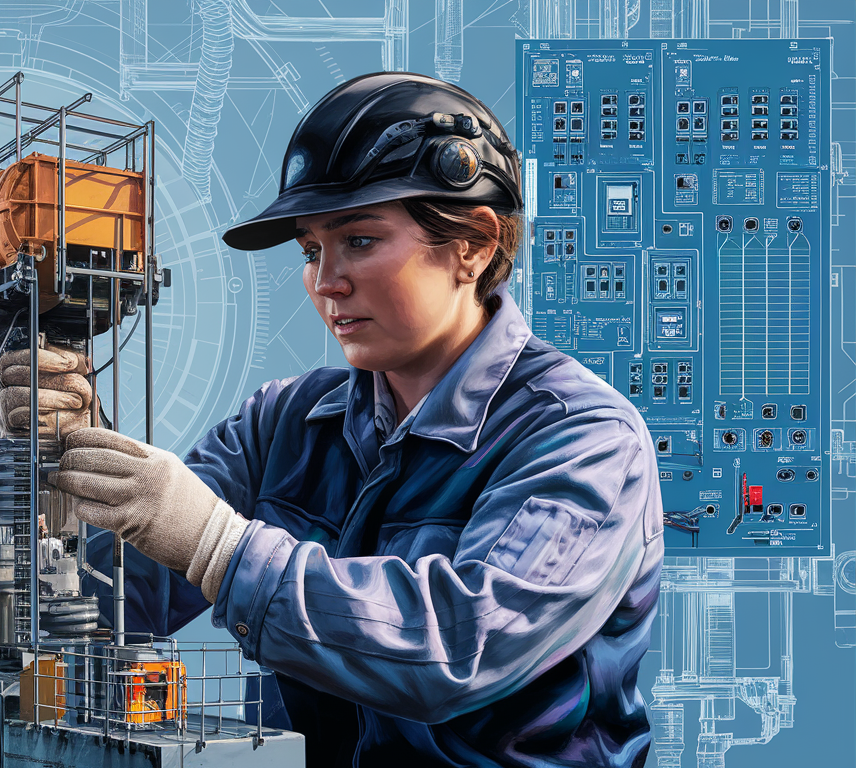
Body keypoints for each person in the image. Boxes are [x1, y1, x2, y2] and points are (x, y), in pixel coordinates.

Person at [49, 72, 665, 768]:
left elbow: (459, 649)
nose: (325, 281)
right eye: (312, 250)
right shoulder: (283, 423)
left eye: (361, 241)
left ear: (475, 245)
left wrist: (220, 547)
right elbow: (122, 603)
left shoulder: (580, 439)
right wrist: (68, 482)